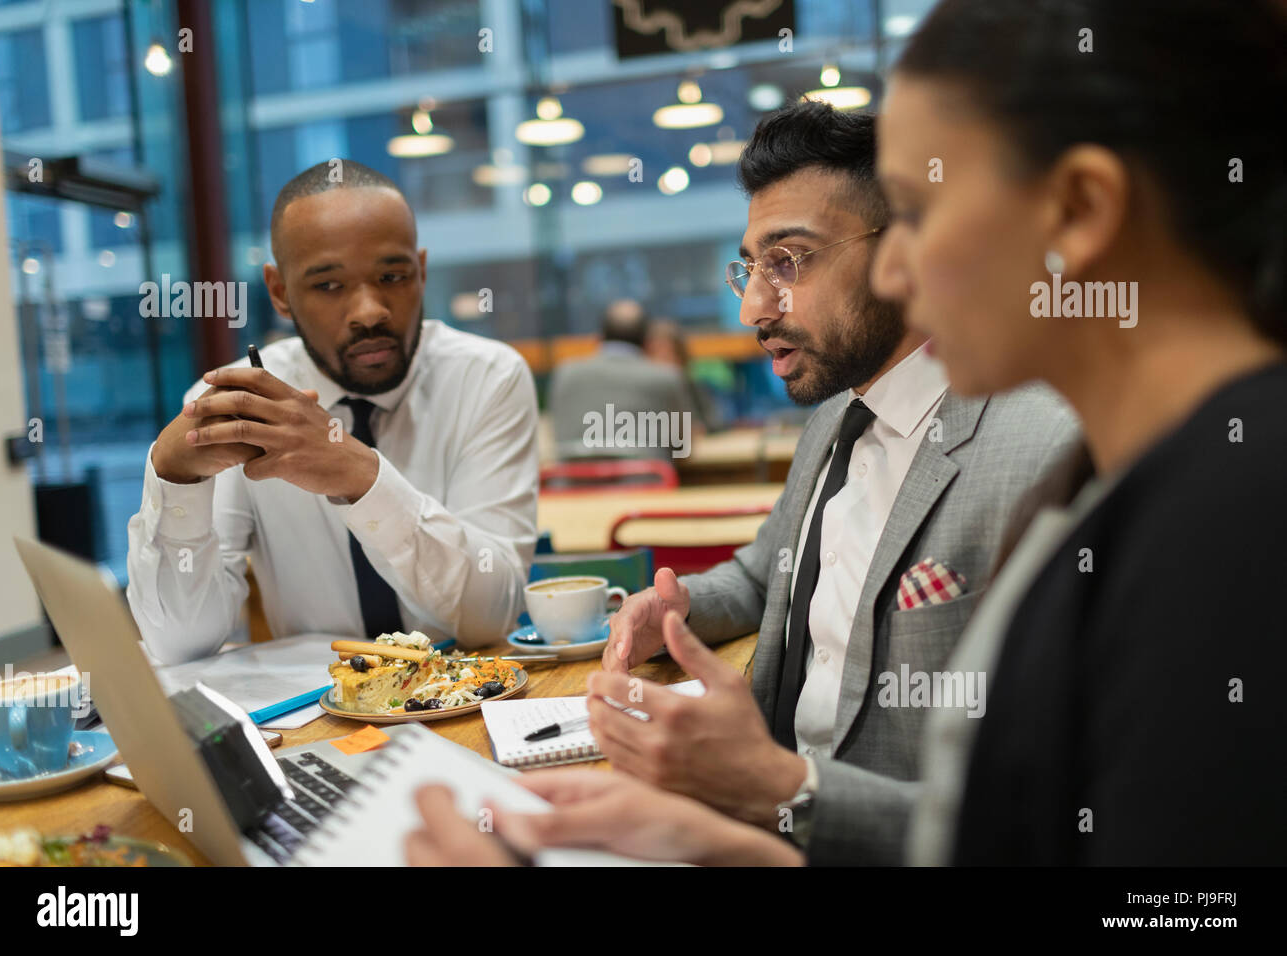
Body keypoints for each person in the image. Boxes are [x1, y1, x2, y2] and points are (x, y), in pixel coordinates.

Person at [596, 100, 1080, 864]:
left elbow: (1054, 812)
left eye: (789, 260)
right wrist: (678, 608)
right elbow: (763, 576)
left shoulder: (1050, 450)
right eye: (751, 268)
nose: (755, 306)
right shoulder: (834, 415)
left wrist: (783, 789)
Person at [868, 0, 1287, 864]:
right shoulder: (1122, 475)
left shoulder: (1236, 522)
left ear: (1080, 208)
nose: (888, 269)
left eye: (913, 210)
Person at [126, 160, 539, 663]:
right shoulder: (241, 406)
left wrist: (362, 478)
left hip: (474, 700)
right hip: (319, 720)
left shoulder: (487, 377)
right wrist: (173, 482)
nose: (370, 312)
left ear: (422, 270)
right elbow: (180, 645)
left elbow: (490, 617)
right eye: (328, 285)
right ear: (279, 292)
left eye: (393, 276)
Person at [548, 300, 698, 461]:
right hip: (647, 484)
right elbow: (684, 447)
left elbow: (557, 438)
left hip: (575, 484)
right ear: (647, 342)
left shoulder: (564, 374)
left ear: (600, 338)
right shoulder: (668, 377)